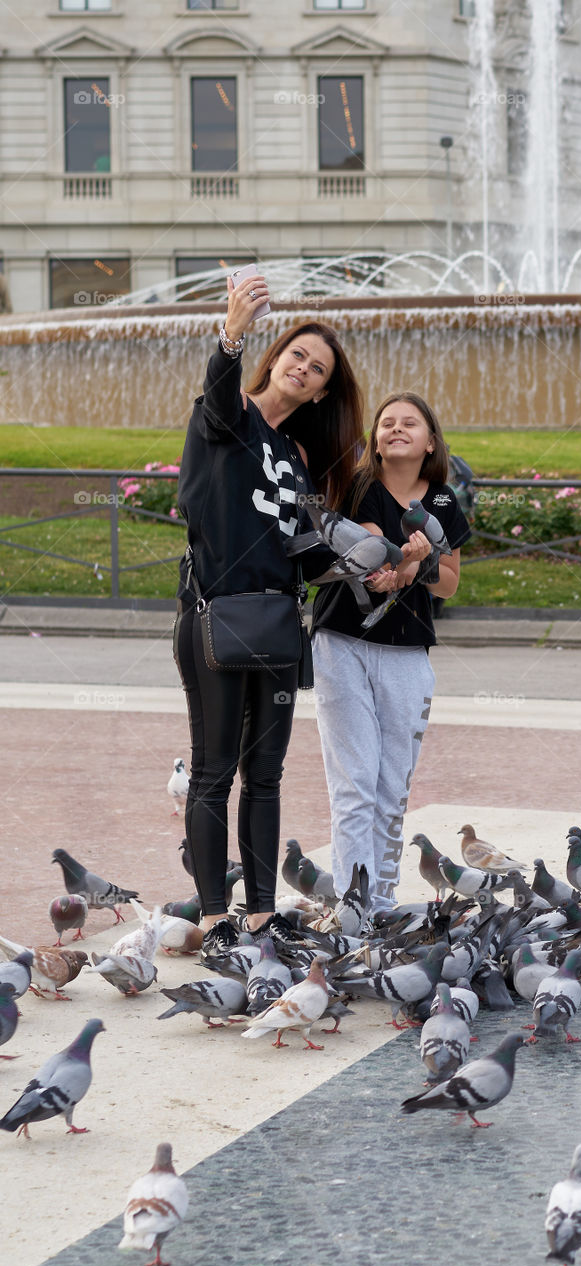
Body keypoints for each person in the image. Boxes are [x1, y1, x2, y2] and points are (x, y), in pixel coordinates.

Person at [174, 271, 364, 956]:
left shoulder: (296, 457)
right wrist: (231, 331)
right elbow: (222, 398)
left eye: (317, 369)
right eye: (298, 355)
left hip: (278, 626)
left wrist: (371, 562)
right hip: (214, 617)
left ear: (319, 390)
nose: (305, 368)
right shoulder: (224, 418)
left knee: (267, 775)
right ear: (276, 356)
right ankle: (214, 918)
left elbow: (306, 555)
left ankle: (259, 915)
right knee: (212, 771)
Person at [310, 392, 471, 913]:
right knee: (354, 785)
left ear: (430, 443)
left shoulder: (443, 500)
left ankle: (380, 900)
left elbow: (448, 584)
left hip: (407, 654)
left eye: (410, 423)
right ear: (376, 442)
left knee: (390, 790)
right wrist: (406, 563)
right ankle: (352, 907)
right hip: (343, 644)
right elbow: (375, 558)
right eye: (386, 423)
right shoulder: (358, 487)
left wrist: (417, 567)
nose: (396, 429)